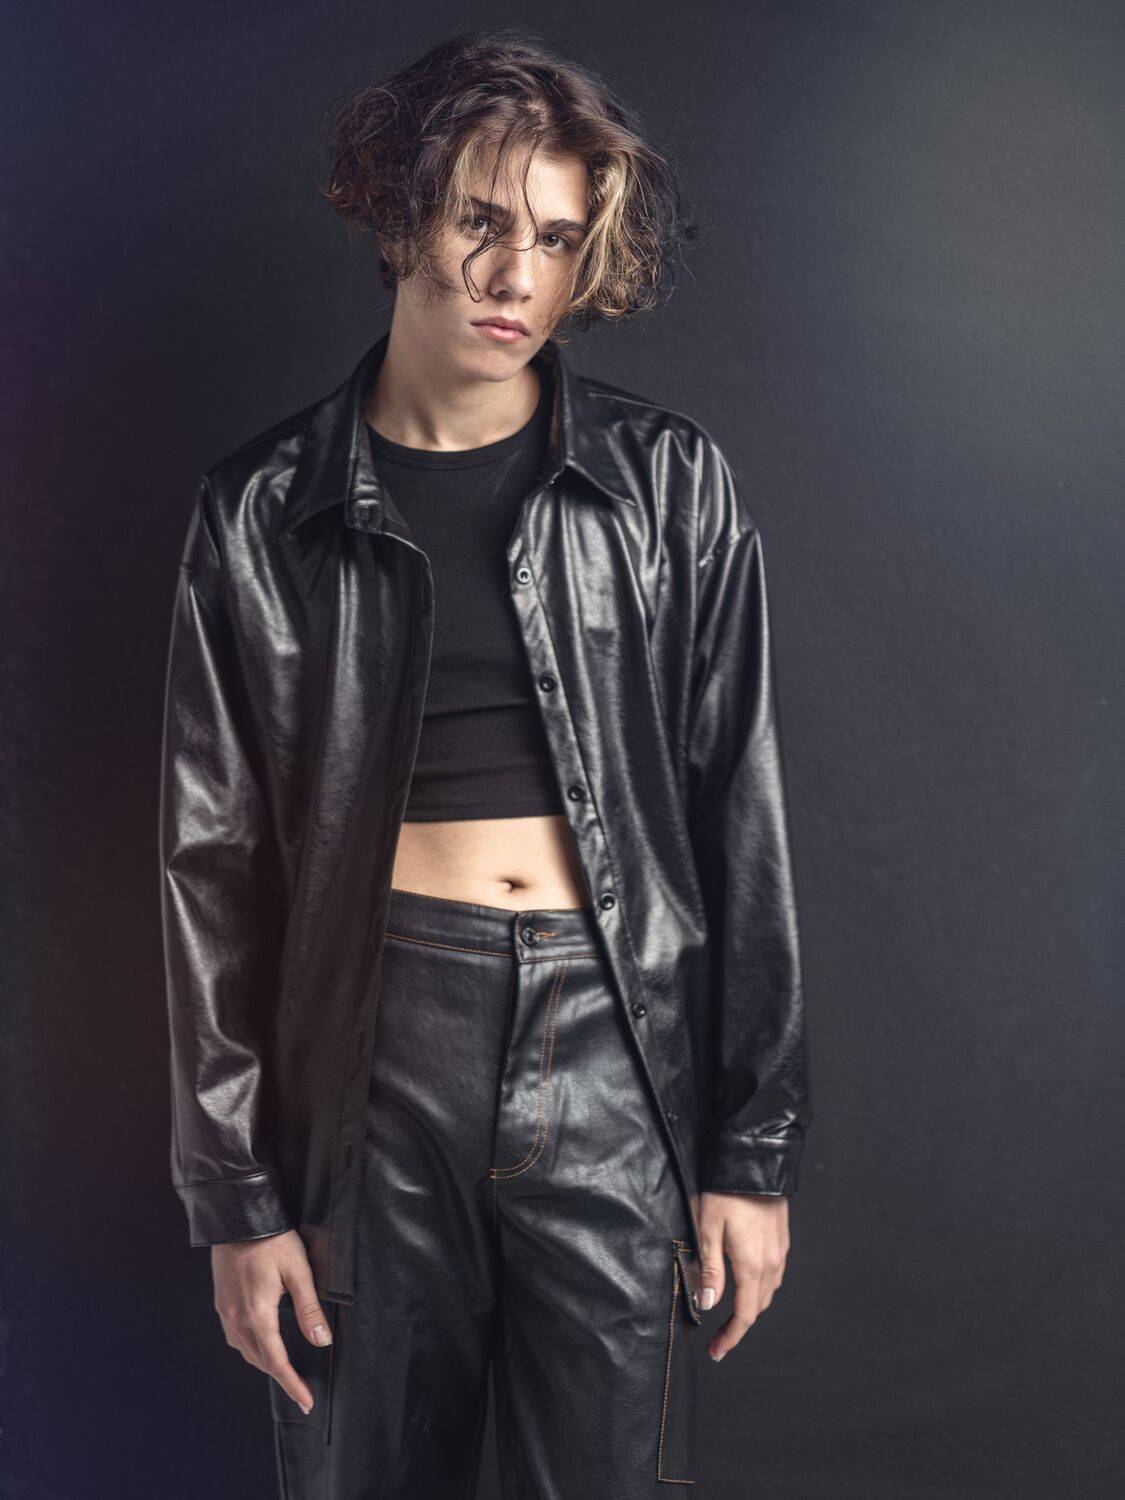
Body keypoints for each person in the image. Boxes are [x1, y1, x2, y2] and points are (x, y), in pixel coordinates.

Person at [159, 26, 812, 1499]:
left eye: (557, 240)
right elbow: (211, 870)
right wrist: (236, 1198)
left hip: (615, 1040)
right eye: (481, 221)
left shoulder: (667, 485)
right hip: (376, 1047)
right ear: (401, 212)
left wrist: (750, 1153)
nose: (516, 273)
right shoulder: (260, 512)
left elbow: (742, 817)